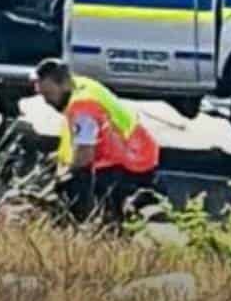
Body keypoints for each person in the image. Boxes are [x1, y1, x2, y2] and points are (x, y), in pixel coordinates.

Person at [32, 59, 161, 223]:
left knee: (78, 188)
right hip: (135, 154)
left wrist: (58, 183)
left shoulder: (83, 106)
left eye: (49, 95)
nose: (47, 102)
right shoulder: (79, 85)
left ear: (64, 84)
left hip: (128, 163)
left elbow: (84, 155)